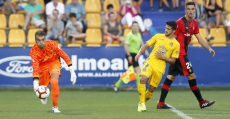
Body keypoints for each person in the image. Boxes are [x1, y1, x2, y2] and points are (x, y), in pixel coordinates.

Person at [157, 2, 215, 109]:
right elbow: (172, 38)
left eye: (192, 9)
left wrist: (209, 48)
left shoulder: (195, 24)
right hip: (179, 54)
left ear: (195, 10)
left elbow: (200, 39)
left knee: (171, 77)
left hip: (180, 54)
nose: (190, 11)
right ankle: (201, 101)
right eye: (188, 9)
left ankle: (160, 103)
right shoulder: (179, 23)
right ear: (185, 10)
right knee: (191, 75)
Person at [135, 21, 180, 112]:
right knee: (143, 78)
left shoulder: (176, 44)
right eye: (166, 28)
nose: (166, 30)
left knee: (151, 89)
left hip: (160, 68)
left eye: (168, 29)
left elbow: (173, 61)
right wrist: (139, 53)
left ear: (174, 30)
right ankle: (142, 104)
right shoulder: (158, 36)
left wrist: (163, 57)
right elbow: (146, 45)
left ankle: (141, 102)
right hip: (150, 62)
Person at [30, 30, 77, 113]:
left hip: (54, 63)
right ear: (35, 40)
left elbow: (64, 55)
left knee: (54, 81)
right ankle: (43, 96)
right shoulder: (34, 52)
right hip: (42, 68)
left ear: (45, 39)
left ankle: (55, 107)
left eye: (43, 39)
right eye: (38, 40)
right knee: (43, 89)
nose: (41, 42)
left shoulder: (52, 44)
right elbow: (35, 68)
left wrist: (72, 71)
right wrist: (35, 83)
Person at [113, 21, 149, 92]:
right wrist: (129, 55)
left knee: (130, 72)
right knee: (138, 70)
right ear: (132, 27)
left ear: (138, 27)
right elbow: (126, 45)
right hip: (131, 54)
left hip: (135, 55)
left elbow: (141, 43)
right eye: (134, 26)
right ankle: (139, 88)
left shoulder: (138, 34)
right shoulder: (129, 35)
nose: (135, 27)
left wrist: (146, 51)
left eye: (137, 26)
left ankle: (116, 85)